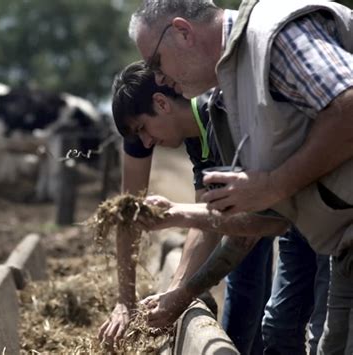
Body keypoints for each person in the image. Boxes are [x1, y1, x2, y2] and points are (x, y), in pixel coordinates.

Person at [128, 0, 353, 353]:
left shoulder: (272, 36)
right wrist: (178, 215)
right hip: (340, 242)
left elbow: (349, 107)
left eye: (156, 62)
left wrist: (274, 184)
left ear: (183, 32)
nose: (158, 77)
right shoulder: (232, 92)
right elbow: (271, 221)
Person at [98, 61, 275, 353]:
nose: (146, 141)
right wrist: (126, 301)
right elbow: (128, 214)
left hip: (302, 208)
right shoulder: (156, 132)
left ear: (163, 102)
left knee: (256, 282)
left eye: (143, 129)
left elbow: (237, 226)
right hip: (266, 210)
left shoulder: (218, 116)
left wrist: (180, 294)